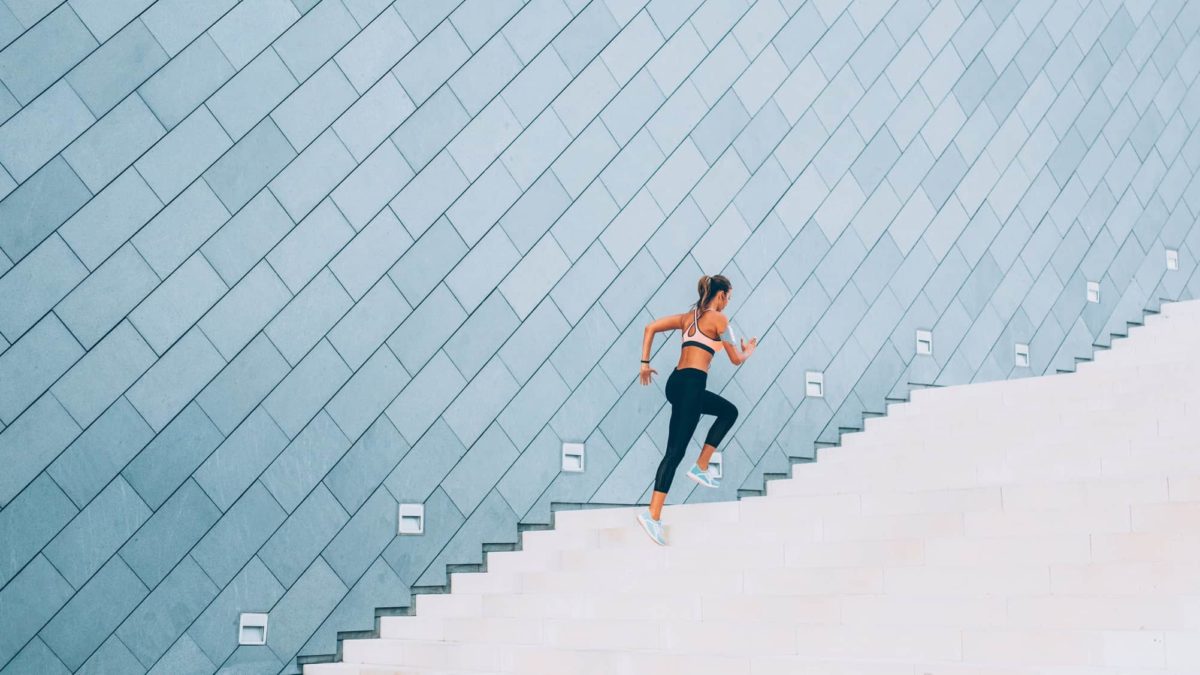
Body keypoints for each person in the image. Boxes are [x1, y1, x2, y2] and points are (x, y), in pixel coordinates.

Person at [635, 274, 757, 545]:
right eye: (728, 297)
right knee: (675, 452)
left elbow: (650, 327)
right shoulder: (720, 320)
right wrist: (747, 351)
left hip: (676, 383)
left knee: (727, 412)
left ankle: (700, 466)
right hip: (692, 384)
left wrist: (644, 364)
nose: (728, 303)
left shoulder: (687, 318)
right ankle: (653, 514)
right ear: (721, 295)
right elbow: (735, 359)